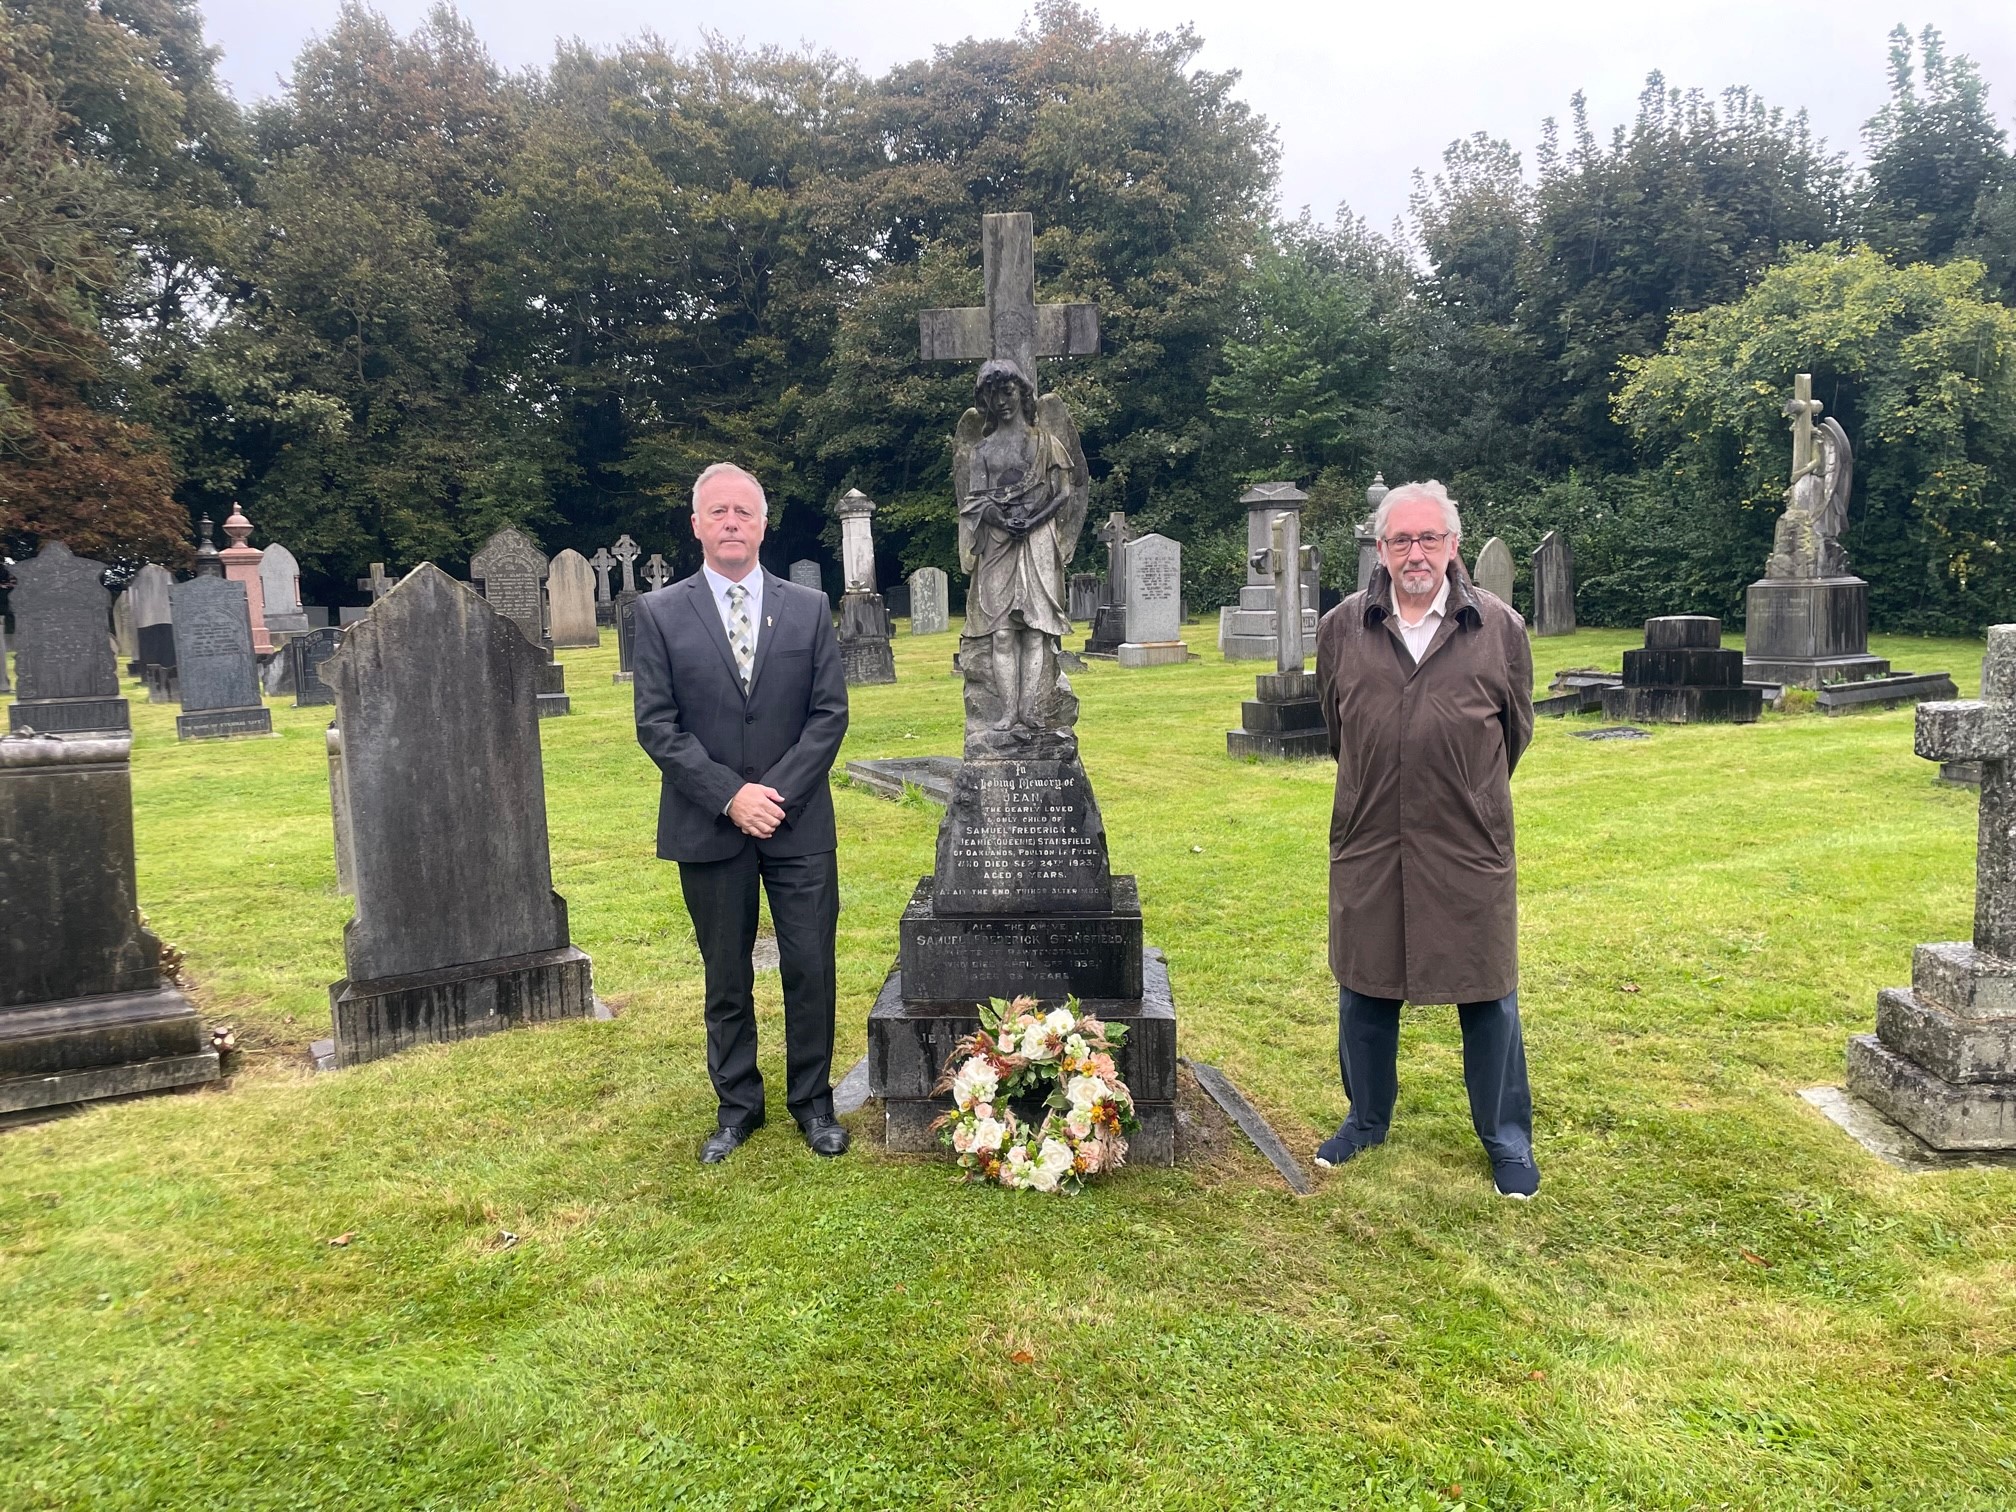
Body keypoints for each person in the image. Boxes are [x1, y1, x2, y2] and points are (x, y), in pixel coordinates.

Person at [1312, 480, 1540, 1198]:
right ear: (1381, 550)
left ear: (1453, 546)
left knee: (1487, 994)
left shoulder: (1498, 628)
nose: (1416, 553)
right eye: (1401, 540)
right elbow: (1336, 727)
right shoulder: (1344, 627)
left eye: (1429, 538)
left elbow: (1515, 733)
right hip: (1371, 836)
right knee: (1366, 989)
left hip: (1466, 841)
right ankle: (1366, 1119)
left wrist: (1464, 791)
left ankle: (1506, 1140)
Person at [632, 463, 850, 1164]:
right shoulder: (660, 613)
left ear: (763, 525)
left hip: (799, 822)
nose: (731, 522)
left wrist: (772, 797)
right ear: (696, 524)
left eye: (744, 512)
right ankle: (738, 1107)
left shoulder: (810, 609)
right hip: (709, 827)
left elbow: (827, 716)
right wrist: (731, 796)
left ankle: (813, 1105)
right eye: (718, 511)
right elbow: (658, 725)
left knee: (810, 967)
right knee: (725, 973)